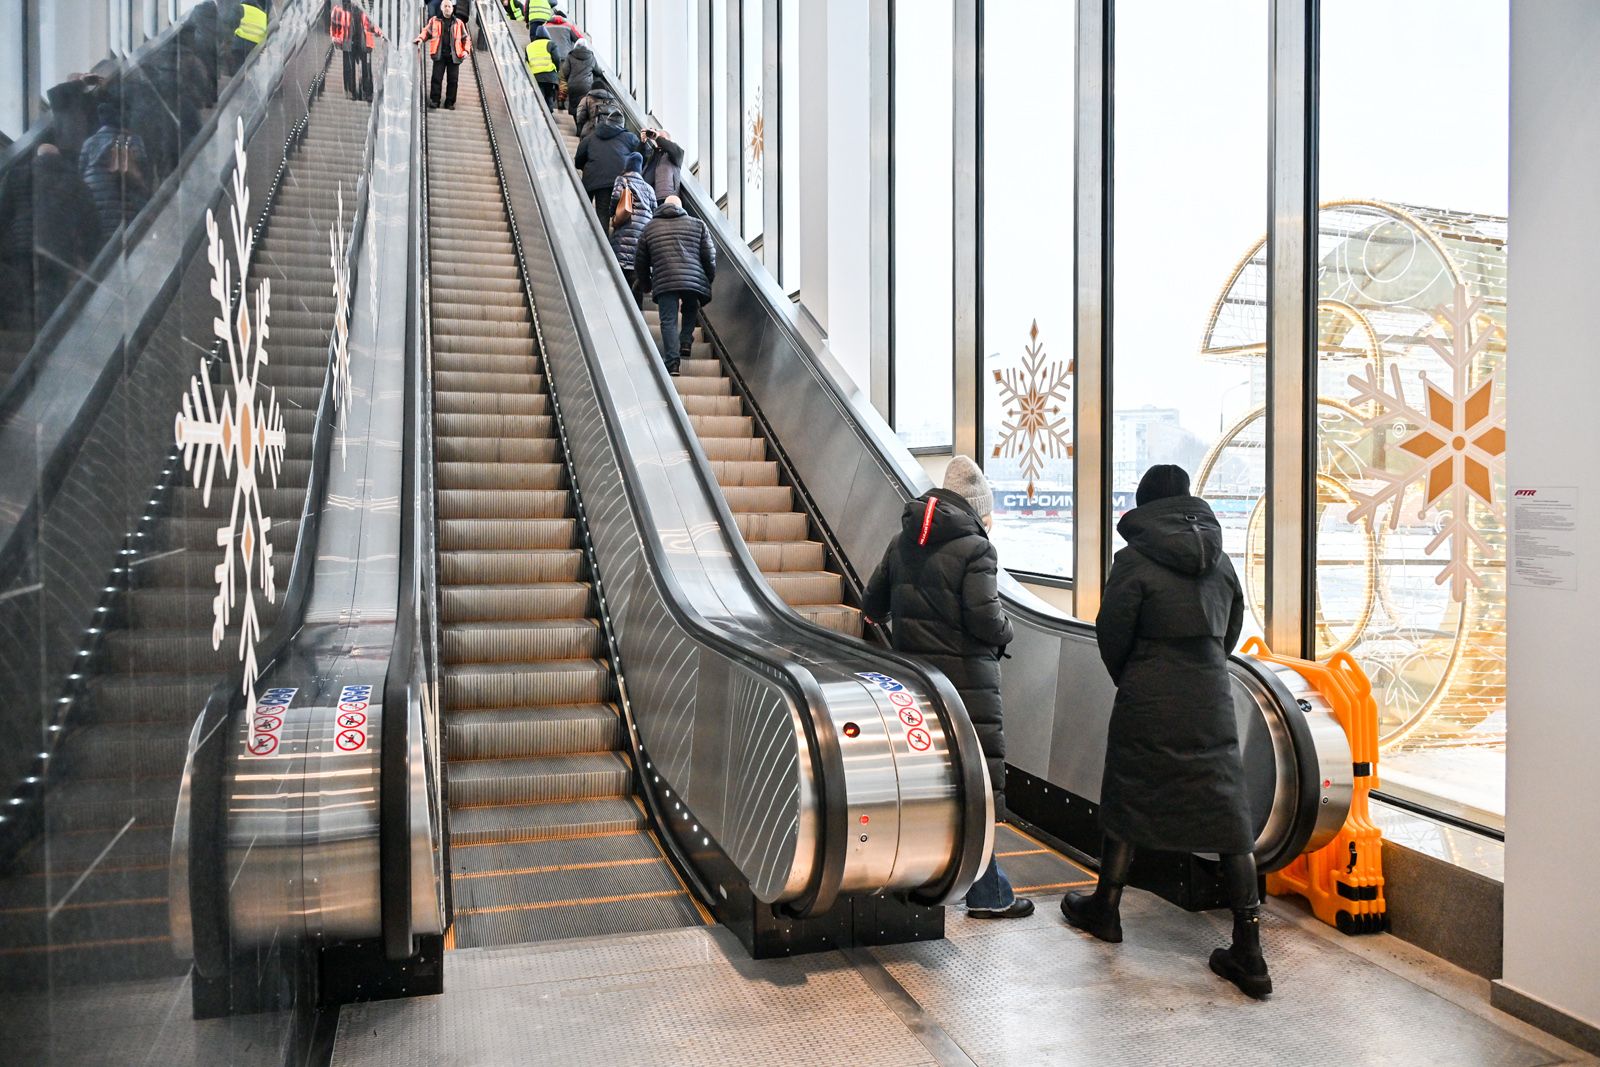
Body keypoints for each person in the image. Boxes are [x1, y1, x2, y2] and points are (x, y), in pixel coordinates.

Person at [1063, 463, 1271, 999]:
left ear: (1145, 505)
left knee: (1129, 793)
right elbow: (1231, 628)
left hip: (1149, 698)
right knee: (1229, 814)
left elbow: (1112, 633)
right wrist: (1203, 666)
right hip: (1210, 699)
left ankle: (1106, 908)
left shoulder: (1133, 560)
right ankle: (1249, 949)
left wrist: (1136, 677)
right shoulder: (1220, 560)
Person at [861, 456, 1029, 921]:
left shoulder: (903, 541)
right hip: (967, 684)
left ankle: (931, 880)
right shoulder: (977, 550)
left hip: (915, 683)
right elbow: (986, 618)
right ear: (979, 508)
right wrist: (1007, 631)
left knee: (932, 781)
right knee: (976, 783)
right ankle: (989, 894)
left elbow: (871, 603)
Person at [633, 195, 713, 375]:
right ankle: (685, 341)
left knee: (668, 320)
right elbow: (709, 256)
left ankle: (673, 363)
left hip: (664, 280)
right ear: (681, 207)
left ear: (663, 206)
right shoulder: (698, 225)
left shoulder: (650, 227)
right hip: (692, 279)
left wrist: (646, 284)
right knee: (691, 307)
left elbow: (640, 260)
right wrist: (707, 279)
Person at [79, 103, 152, 243]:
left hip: (96, 208)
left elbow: (80, 176)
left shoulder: (88, 143)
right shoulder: (132, 140)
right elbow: (143, 172)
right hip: (124, 209)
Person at [572, 109, 639, 233]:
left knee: (596, 211)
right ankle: (608, 242)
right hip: (618, 180)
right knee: (617, 212)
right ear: (622, 124)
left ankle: (584, 235)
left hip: (592, 179)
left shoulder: (590, 137)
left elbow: (578, 160)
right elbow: (638, 157)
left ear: (607, 122)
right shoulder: (630, 138)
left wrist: (586, 168)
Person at [608, 152, 656, 304]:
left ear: (627, 166)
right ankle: (636, 314)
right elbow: (655, 212)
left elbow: (616, 198)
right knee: (636, 282)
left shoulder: (622, 180)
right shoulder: (649, 188)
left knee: (620, 285)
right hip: (642, 241)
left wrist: (613, 215)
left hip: (623, 237)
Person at [416, 0, 470, 109]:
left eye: (449, 6)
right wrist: (420, 38)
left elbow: (466, 38)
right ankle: (435, 100)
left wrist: (466, 50)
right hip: (439, 55)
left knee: (453, 80)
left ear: (452, 8)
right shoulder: (434, 20)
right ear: (441, 8)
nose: (447, 8)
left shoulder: (459, 23)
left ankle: (450, 102)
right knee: (436, 78)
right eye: (445, 6)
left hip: (454, 56)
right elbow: (426, 31)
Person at [639, 127, 683, 202]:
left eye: (662, 138)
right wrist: (643, 142)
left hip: (664, 198)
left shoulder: (676, 153)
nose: (658, 140)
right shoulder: (653, 153)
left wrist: (657, 137)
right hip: (645, 197)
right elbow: (639, 159)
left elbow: (671, 148)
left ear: (669, 140)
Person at [559, 38, 596, 119]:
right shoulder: (591, 56)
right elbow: (598, 70)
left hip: (573, 85)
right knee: (585, 104)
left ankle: (576, 122)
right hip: (586, 86)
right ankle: (583, 121)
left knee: (574, 105)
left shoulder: (570, 56)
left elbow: (565, 71)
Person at [525, 24, 559, 107]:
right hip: (550, 75)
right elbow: (556, 58)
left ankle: (541, 112)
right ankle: (550, 112)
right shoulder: (550, 44)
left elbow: (526, 61)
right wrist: (557, 70)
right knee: (549, 96)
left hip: (535, 76)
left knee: (540, 98)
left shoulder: (529, 46)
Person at [231, 0, 270, 72]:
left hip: (240, 43)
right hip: (256, 47)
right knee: (252, 68)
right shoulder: (264, 15)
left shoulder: (241, 7)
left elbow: (232, 24)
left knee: (238, 68)